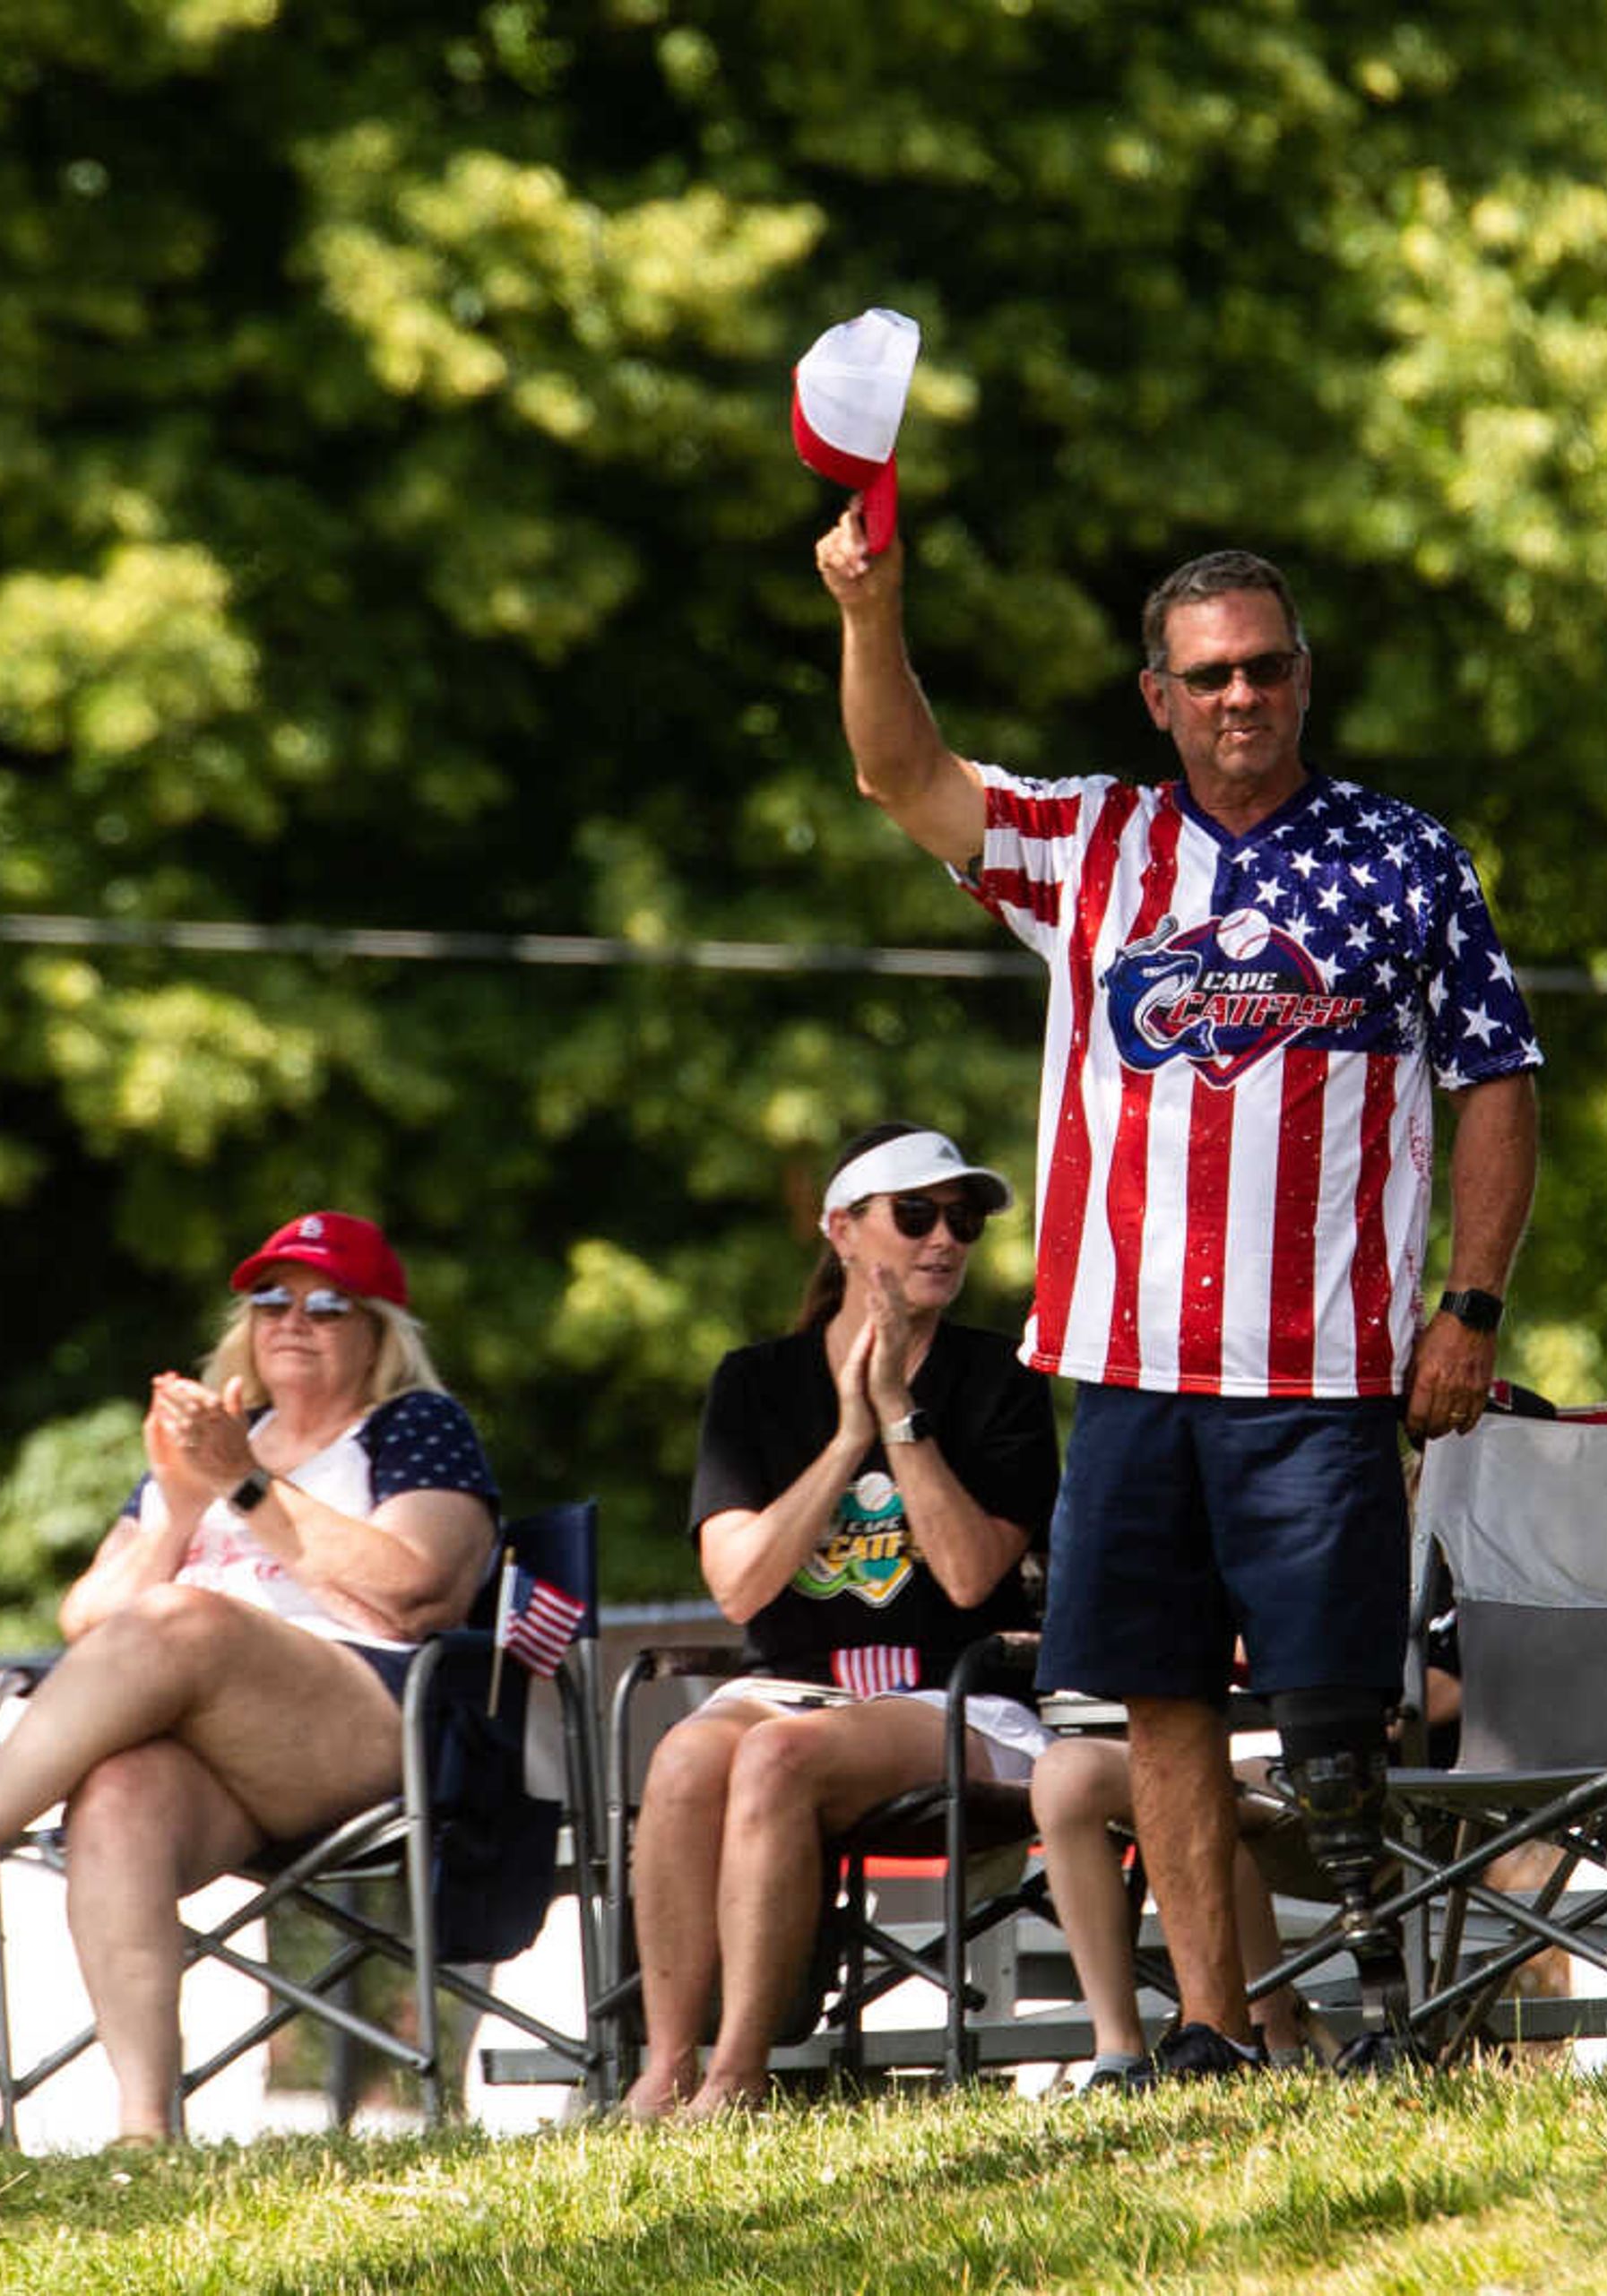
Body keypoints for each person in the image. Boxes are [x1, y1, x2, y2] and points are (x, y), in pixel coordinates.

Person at [815, 512, 1542, 2075]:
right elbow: (902, 778)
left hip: (1321, 1361)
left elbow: (1497, 1081)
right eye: (1208, 675)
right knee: (1158, 1707)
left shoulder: (1403, 859)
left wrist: (1468, 1305)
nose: (1239, 698)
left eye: (1266, 668)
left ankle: (1417, 2014)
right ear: (1158, 695)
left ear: (1303, 678)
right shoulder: (1089, 846)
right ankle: (1215, 2025)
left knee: (1344, 1719)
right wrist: (871, 613)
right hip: (1130, 1360)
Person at [0, 1212, 498, 2144]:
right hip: (214, 1745)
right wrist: (181, 1505)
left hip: (364, 1723)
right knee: (117, 1790)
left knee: (185, 1617)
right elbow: (90, 1620)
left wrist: (246, 1486)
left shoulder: (414, 1425)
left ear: (380, 1329)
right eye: (269, 1298)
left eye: (328, 1304)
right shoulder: (213, 1442)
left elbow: (418, 1591)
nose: (294, 1318)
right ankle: (144, 2129)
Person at [623, 1123, 1058, 2123]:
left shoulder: (1003, 1377)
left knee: (778, 1757)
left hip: (959, 1692)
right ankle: (664, 2066)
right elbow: (738, 1588)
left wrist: (899, 1414)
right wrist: (846, 1438)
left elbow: (967, 1574)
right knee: (686, 1759)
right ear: (842, 1230)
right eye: (916, 1214)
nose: (943, 1237)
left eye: (964, 1218)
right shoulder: (756, 1382)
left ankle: (739, 2078)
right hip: (790, 1682)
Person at [1028, 1735, 1309, 2089]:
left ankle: (1269, 2035)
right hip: (1254, 1755)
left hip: (1347, 1759)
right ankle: (1117, 2058)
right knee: (1066, 1774)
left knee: (1186, 1785)